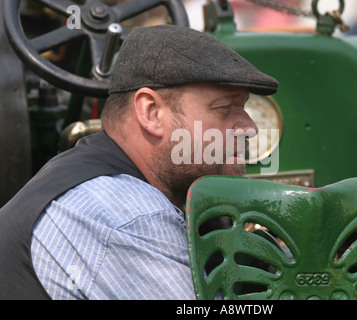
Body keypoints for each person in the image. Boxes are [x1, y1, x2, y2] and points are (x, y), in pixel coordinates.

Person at [0, 24, 278, 299]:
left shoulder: (87, 174)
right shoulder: (123, 213)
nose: (250, 127)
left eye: (245, 108)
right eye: (225, 109)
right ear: (151, 112)